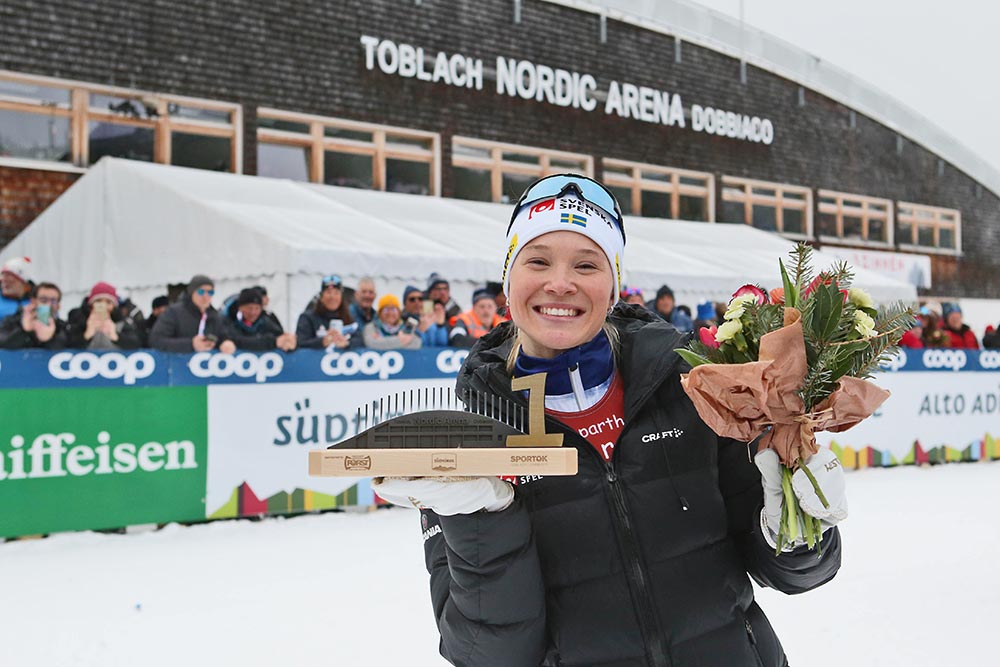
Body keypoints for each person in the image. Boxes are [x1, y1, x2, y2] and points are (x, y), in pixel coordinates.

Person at [373, 174, 845, 667]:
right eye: (537, 260)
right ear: (509, 279)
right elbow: (487, 654)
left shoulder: (690, 387)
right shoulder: (473, 434)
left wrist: (802, 531)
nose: (561, 282)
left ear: (614, 283)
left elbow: (792, 572)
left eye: (586, 264)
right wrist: (480, 519)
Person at [148, 274, 235, 353]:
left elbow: (223, 335)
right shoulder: (174, 313)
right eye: (201, 292)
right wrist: (191, 344)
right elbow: (156, 340)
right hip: (177, 366)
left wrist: (226, 343)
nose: (206, 296)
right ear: (191, 293)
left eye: (210, 292)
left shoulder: (214, 316)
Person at [66, 282, 142, 350]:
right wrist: (86, 335)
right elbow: (68, 344)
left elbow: (136, 344)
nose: (104, 306)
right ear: (91, 304)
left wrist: (116, 336)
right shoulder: (79, 319)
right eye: (98, 301)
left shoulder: (122, 322)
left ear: (114, 306)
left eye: (108, 302)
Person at [296, 274, 359, 350]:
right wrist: (322, 341)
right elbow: (300, 342)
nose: (332, 297)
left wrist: (347, 343)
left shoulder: (349, 318)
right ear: (322, 297)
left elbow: (360, 339)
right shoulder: (307, 318)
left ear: (341, 297)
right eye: (328, 292)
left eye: (336, 293)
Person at [0, 281, 68, 349]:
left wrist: (48, 338)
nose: (48, 304)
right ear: (33, 301)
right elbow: (4, 344)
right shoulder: (12, 321)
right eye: (43, 300)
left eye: (53, 301)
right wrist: (26, 332)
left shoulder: (62, 327)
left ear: (58, 306)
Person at [227, 288, 297, 351]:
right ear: (240, 307)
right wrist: (273, 342)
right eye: (249, 308)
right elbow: (237, 340)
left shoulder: (266, 320)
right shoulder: (229, 321)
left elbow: (279, 335)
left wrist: (289, 341)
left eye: (257, 308)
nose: (253, 312)